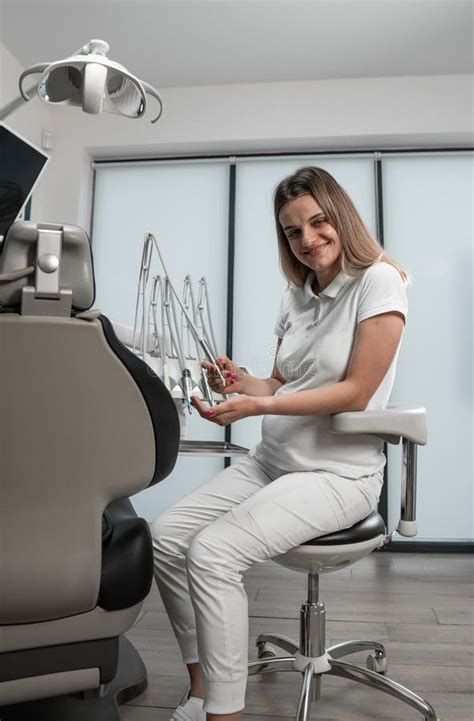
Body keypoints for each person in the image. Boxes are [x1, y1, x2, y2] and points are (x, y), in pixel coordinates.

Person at [151, 166, 408, 721]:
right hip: (272, 462)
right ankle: (201, 688)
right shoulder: (297, 295)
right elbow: (280, 383)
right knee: (167, 538)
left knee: (212, 552)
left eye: (319, 223)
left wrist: (261, 404)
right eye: (294, 232)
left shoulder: (378, 281)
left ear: (340, 218)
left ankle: (225, 713)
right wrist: (239, 382)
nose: (309, 240)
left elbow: (358, 391)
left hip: (337, 477)